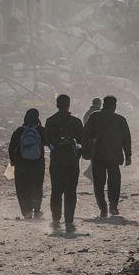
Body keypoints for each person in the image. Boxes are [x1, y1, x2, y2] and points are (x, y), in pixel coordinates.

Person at [83, 96, 132, 218]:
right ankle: (113, 207)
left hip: (97, 155)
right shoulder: (120, 119)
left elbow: (85, 134)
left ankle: (103, 208)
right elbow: (127, 139)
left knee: (98, 184)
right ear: (114, 106)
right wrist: (128, 155)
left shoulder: (94, 116)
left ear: (103, 104)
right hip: (114, 157)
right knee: (114, 182)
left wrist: (85, 152)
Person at [45, 95, 84, 233]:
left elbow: (46, 141)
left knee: (56, 191)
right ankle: (69, 222)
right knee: (70, 192)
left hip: (56, 162)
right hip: (72, 162)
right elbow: (82, 143)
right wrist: (77, 155)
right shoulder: (76, 122)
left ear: (57, 105)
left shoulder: (50, 121)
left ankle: (56, 220)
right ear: (69, 105)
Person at [8, 108, 46, 219]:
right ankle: (37, 210)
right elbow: (48, 142)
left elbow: (11, 148)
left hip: (22, 165)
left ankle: (27, 211)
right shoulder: (40, 130)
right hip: (38, 164)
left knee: (22, 187)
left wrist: (13, 161)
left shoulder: (19, 131)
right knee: (37, 186)